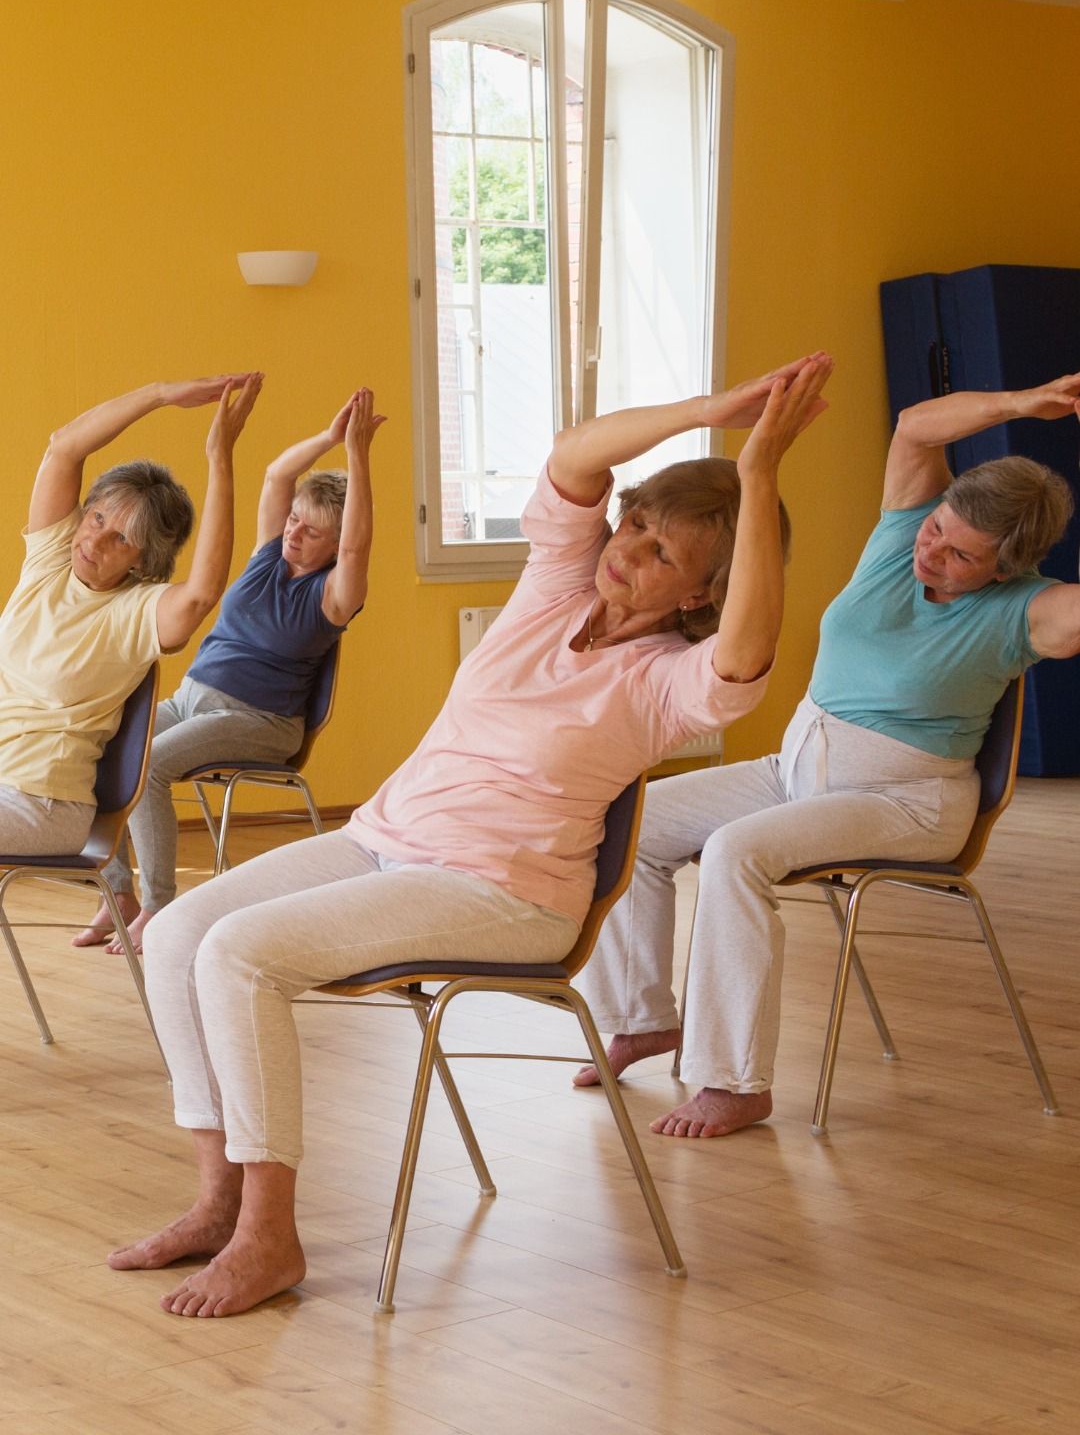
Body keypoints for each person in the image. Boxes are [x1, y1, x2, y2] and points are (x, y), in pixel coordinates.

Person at [107, 353, 832, 1317]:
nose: (631, 548)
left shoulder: (669, 682)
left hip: (506, 891)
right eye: (640, 524)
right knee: (175, 936)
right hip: (387, 838)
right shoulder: (554, 590)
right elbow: (578, 457)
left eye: (666, 553)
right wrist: (716, 411)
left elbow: (748, 651)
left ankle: (269, 1236)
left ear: (703, 593)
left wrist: (760, 471)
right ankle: (217, 1199)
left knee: (239, 956)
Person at [574, 373, 1080, 1139]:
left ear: (1006, 570)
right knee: (623, 813)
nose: (934, 553)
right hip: (798, 774)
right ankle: (641, 1018)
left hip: (908, 803)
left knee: (735, 852)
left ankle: (734, 1081)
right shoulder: (899, 536)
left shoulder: (1031, 612)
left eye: (962, 557)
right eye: (937, 529)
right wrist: (1021, 405)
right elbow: (915, 425)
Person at [73, 389, 385, 952]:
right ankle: (116, 892)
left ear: (336, 545)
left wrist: (359, 455)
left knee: (152, 769)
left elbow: (361, 545)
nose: (293, 532)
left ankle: (160, 906)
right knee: (99, 745)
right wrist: (330, 438)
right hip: (194, 698)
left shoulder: (335, 594)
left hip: (261, 720)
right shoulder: (270, 554)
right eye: (293, 520)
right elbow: (275, 476)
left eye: (311, 531)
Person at [0, 375, 262, 860]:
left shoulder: (137, 611)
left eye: (121, 538)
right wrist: (162, 394)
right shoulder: (50, 560)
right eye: (98, 518)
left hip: (43, 803)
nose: (95, 541)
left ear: (143, 559)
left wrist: (220, 457)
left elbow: (203, 593)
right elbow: (63, 448)